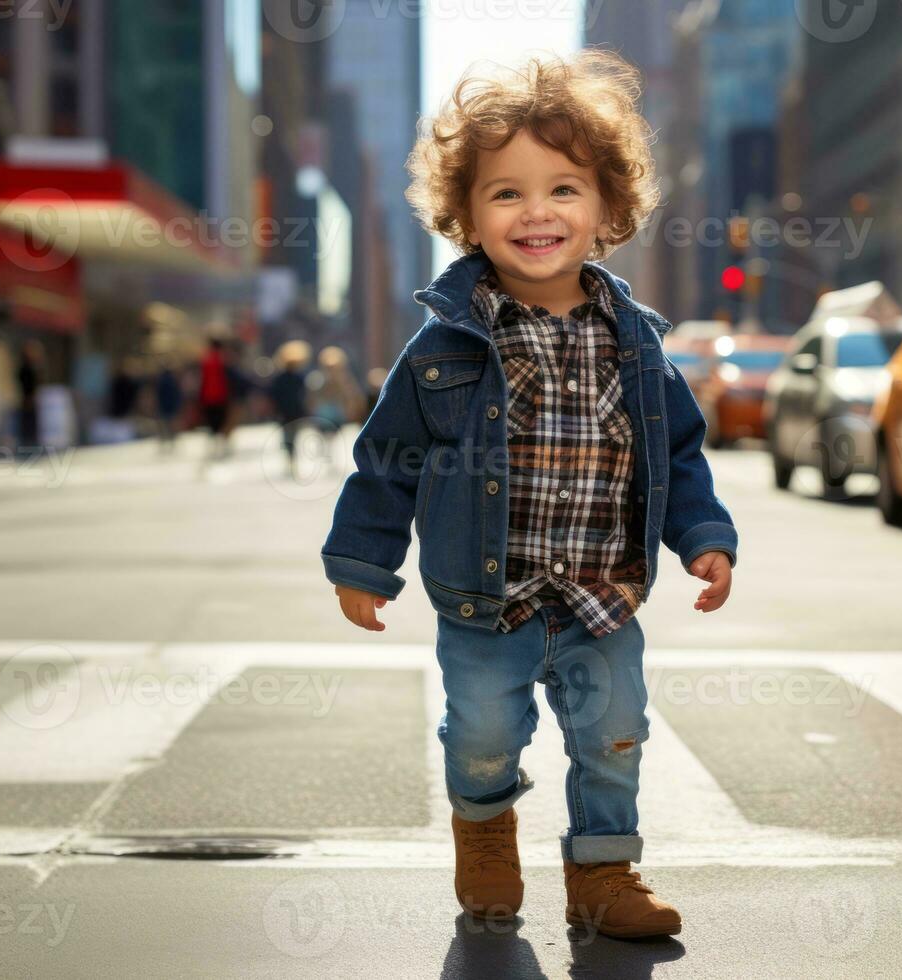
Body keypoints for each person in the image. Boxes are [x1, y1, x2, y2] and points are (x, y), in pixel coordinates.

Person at [319, 51, 737, 939]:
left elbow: (681, 449)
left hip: (602, 595)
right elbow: (385, 460)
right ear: (465, 215)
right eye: (505, 193)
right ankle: (483, 828)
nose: (536, 211)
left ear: (605, 210)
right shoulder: (442, 350)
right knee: (480, 736)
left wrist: (704, 535)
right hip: (486, 601)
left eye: (563, 189)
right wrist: (362, 562)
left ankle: (604, 874)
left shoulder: (637, 347)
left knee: (614, 735)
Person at [268, 340, 311, 477]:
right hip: (292, 411)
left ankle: (290, 458)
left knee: (289, 436)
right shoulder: (297, 378)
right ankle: (291, 459)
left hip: (287, 412)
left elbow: (274, 395)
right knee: (291, 436)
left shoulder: (282, 378)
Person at [197, 338, 231, 460]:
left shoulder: (205, 360)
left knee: (211, 424)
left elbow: (202, 381)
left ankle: (213, 447)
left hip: (208, 398)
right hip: (221, 397)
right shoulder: (223, 360)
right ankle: (221, 447)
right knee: (221, 423)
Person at [15, 339, 44, 457]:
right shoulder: (25, 368)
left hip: (29, 401)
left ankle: (30, 450)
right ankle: (27, 451)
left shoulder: (31, 368)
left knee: (31, 427)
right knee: (27, 427)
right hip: (26, 401)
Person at [154, 355, 185, 455]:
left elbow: (158, 394)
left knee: (164, 426)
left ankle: (165, 441)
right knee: (170, 425)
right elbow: (177, 393)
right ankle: (171, 441)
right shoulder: (172, 379)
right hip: (170, 406)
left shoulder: (161, 380)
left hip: (164, 406)